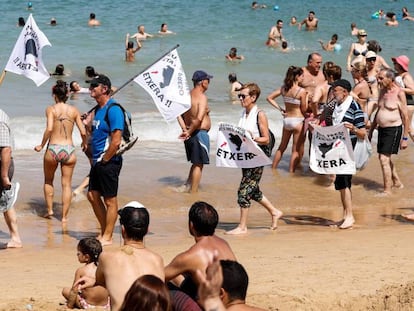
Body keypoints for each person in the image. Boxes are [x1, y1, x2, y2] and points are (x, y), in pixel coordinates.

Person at [74, 201, 165, 311]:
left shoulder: (107, 257)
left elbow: (101, 281)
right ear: (147, 230)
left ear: (123, 230)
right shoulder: (157, 260)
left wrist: (93, 281)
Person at [226, 83, 283, 235]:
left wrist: (252, 138)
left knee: (243, 191)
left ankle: (243, 227)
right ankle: (274, 212)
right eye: (239, 96)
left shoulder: (260, 114)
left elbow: (266, 139)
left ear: (253, 97)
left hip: (258, 156)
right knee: (253, 189)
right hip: (247, 156)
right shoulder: (244, 113)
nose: (240, 98)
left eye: (243, 96)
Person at [34, 80, 87, 221]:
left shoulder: (51, 109)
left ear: (54, 95)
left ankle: (50, 211)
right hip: (68, 149)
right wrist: (85, 143)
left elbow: (50, 129)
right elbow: (83, 131)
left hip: (53, 148)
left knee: (48, 181)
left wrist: (41, 144)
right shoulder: (74, 111)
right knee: (67, 184)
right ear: (67, 94)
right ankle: (64, 217)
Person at [165, 201, 236, 299]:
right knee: (178, 275)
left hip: (213, 304)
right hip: (232, 296)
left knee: (164, 286)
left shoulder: (191, 255)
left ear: (191, 225)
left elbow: (159, 277)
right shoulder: (223, 243)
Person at [87, 74, 124, 245]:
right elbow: (94, 134)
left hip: (108, 161)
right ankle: (104, 231)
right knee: (92, 195)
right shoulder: (97, 110)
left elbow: (116, 140)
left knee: (110, 200)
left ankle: (108, 236)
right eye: (91, 85)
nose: (91, 88)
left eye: (95, 85)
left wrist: (105, 160)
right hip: (97, 161)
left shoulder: (114, 109)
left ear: (105, 89)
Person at [327, 79, 366, 229]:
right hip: (338, 149)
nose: (333, 92)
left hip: (350, 150)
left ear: (344, 91)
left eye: (335, 90)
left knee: (345, 182)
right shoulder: (336, 106)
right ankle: (345, 216)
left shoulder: (354, 106)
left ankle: (350, 216)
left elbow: (363, 133)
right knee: (341, 183)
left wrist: (353, 129)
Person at [368, 69, 408, 195]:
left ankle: (387, 190)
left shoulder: (399, 93)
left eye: (381, 78)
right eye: (378, 78)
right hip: (381, 129)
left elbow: (405, 117)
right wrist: (371, 130)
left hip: (394, 129)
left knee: (383, 158)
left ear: (390, 79)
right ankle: (397, 182)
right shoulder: (382, 91)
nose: (378, 81)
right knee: (385, 157)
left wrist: (405, 138)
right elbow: (379, 111)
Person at [177, 70, 212, 193]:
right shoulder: (202, 97)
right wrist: (189, 131)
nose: (209, 83)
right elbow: (198, 119)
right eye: (208, 80)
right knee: (199, 164)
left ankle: (187, 185)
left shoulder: (187, 95)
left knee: (195, 162)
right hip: (198, 134)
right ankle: (194, 192)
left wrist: (185, 129)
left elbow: (178, 114)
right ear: (202, 82)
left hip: (191, 134)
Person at [266, 66, 307, 172]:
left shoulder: (284, 88)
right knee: (295, 150)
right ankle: (291, 172)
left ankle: (273, 169)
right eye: (302, 76)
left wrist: (280, 109)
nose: (303, 78)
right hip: (298, 120)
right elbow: (304, 109)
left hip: (287, 120)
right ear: (297, 76)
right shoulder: (302, 91)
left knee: (281, 147)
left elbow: (269, 98)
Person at [62, 237, 110, 309]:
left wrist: (69, 306)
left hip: (89, 306)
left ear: (86, 257)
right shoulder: (105, 268)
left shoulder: (81, 270)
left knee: (65, 290)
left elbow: (74, 291)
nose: (77, 255)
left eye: (78, 253)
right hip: (106, 305)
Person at [0, 109, 22, 248]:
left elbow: (6, 149)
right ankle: (15, 237)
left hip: (2, 166)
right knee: (6, 201)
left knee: (5, 200)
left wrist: (4, 176)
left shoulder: (0, 119)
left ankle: (16, 237)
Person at [350, 62, 370, 126]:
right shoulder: (364, 83)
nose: (351, 72)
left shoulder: (360, 86)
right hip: (364, 114)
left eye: (353, 71)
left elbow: (349, 99)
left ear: (359, 72)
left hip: (359, 115)